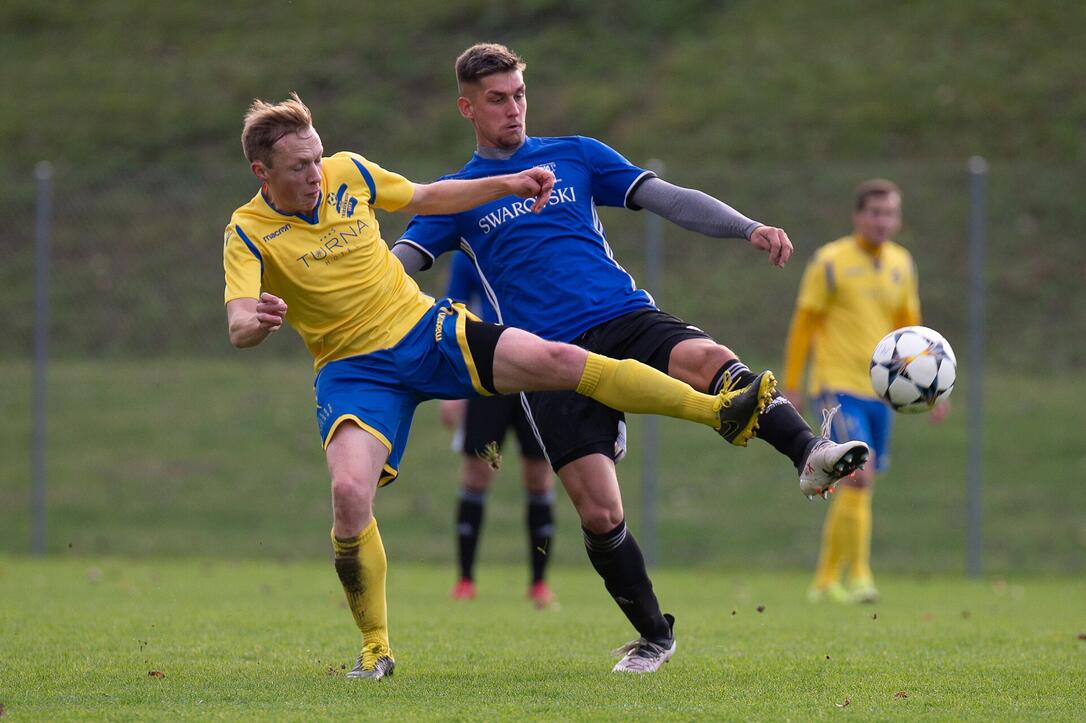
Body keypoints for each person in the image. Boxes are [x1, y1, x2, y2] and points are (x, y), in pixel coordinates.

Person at [223, 93, 779, 680]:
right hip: (355, 371)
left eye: (316, 158)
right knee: (349, 498)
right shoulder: (247, 230)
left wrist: (507, 184)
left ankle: (718, 410)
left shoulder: (348, 171)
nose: (315, 173)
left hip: (425, 331)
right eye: (298, 167)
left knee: (562, 359)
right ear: (262, 173)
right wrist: (255, 322)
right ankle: (374, 651)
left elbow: (428, 198)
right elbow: (237, 324)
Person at [392, 43, 869, 673]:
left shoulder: (576, 155)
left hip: (621, 315)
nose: (513, 109)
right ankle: (654, 637)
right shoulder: (455, 194)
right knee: (600, 510)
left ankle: (809, 454)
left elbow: (667, 197)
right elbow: (399, 266)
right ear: (467, 107)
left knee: (708, 357)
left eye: (519, 95)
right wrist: (339, 291)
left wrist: (747, 226)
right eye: (497, 99)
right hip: (545, 359)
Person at [781, 178, 948, 604]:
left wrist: (934, 390)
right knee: (859, 477)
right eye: (874, 213)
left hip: (882, 394)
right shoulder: (830, 261)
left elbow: (915, 333)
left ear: (898, 218)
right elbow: (805, 323)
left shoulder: (901, 263)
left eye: (889, 213)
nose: (882, 221)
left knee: (858, 485)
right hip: (837, 387)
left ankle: (822, 581)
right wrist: (795, 381)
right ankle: (859, 576)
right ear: (858, 216)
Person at [439, 251, 557, 608]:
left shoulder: (540, 242)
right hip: (488, 375)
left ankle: (539, 583)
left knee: (539, 477)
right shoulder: (469, 252)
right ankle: (465, 580)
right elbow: (452, 314)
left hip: (540, 374)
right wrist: (452, 388)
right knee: (476, 475)